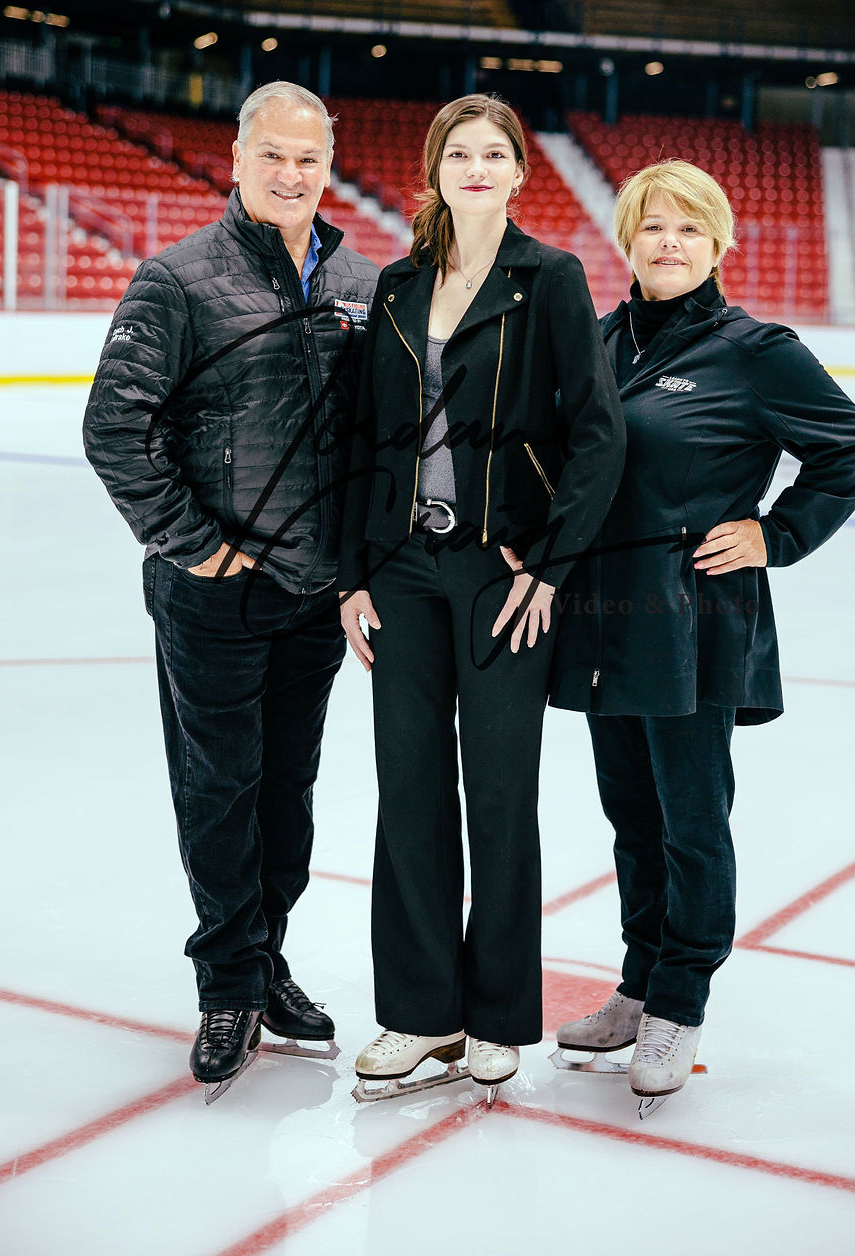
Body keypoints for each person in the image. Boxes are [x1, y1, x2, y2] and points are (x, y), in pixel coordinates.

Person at [550, 159, 855, 1104]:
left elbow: (849, 448)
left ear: (718, 242)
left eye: (689, 228)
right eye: (652, 226)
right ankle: (637, 983)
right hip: (604, 615)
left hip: (691, 617)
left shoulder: (754, 349)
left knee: (692, 820)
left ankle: (680, 1001)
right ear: (627, 238)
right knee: (631, 818)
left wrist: (774, 534)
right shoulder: (600, 341)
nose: (668, 242)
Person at [83, 81, 378, 1094]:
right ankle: (225, 989)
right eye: (274, 156)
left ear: (326, 167)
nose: (292, 174)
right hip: (213, 591)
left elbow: (376, 440)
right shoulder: (177, 280)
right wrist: (197, 547)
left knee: (287, 792)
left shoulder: (358, 279)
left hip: (313, 592)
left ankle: (265, 961)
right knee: (220, 791)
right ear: (238, 159)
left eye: (309, 158)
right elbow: (114, 430)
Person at [339, 94, 625, 1097]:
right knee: (408, 791)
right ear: (434, 172)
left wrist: (549, 563)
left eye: (491, 152)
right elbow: (363, 437)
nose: (474, 165)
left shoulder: (548, 280)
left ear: (516, 174)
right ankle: (420, 1018)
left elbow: (597, 434)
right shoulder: (396, 284)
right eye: (456, 152)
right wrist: (352, 576)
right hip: (402, 571)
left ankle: (499, 1016)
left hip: (500, 575)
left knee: (499, 796)